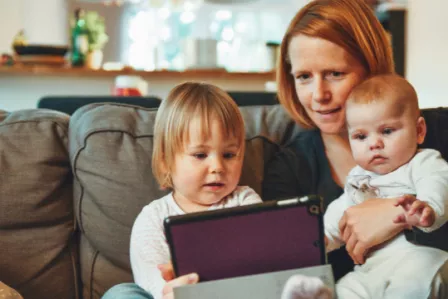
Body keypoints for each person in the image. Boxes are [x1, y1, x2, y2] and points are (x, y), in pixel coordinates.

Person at [262, 0, 448, 298]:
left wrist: (393, 214)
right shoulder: (289, 169)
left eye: (335, 73)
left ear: (371, 68)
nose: (319, 95)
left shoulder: (437, 132)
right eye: (304, 77)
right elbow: (293, 264)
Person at [103, 82, 262, 299]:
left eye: (228, 155)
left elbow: (260, 263)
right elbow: (152, 281)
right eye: (200, 155)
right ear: (165, 162)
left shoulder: (245, 202)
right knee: (121, 293)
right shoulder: (153, 218)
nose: (217, 167)